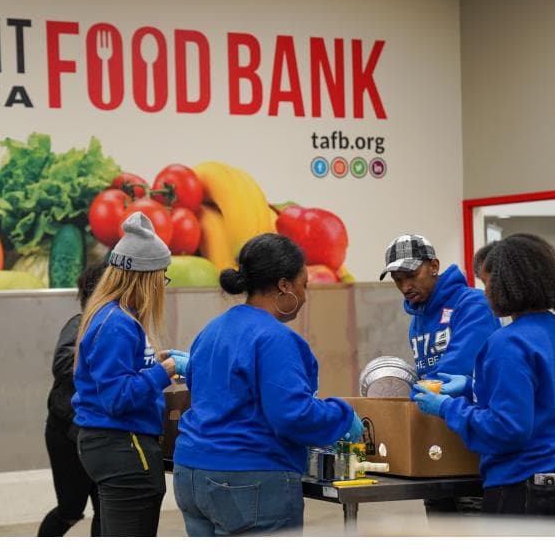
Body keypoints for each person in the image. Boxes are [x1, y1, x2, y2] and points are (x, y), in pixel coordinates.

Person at [172, 233, 364, 536]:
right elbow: (293, 415)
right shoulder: (276, 338)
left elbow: (205, 392)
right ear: (284, 285)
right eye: (304, 285)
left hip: (191, 474)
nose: (304, 295)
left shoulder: (212, 329)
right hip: (248, 480)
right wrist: (342, 416)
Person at [412, 233, 555, 518]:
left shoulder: (508, 343)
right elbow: (545, 397)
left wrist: (448, 407)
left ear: (508, 285)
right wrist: (471, 386)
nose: (485, 291)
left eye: (487, 282)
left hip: (531, 489)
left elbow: (507, 429)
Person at [71, 212, 183, 536]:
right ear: (146, 277)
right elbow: (117, 398)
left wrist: (152, 364)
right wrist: (162, 373)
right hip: (124, 446)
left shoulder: (117, 318)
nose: (163, 285)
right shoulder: (118, 324)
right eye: (162, 277)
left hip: (116, 445)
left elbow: (119, 377)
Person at [380, 233, 500, 513]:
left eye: (411, 275)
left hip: (473, 449)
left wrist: (412, 395)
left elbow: (449, 374)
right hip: (436, 445)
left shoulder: (472, 305)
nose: (405, 286)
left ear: (434, 265)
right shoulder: (418, 320)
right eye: (398, 280)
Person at [38, 261, 107, 537]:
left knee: (106, 511)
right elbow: (64, 364)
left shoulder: (121, 327)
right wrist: (110, 367)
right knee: (70, 508)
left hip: (102, 435)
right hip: (68, 435)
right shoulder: (80, 325)